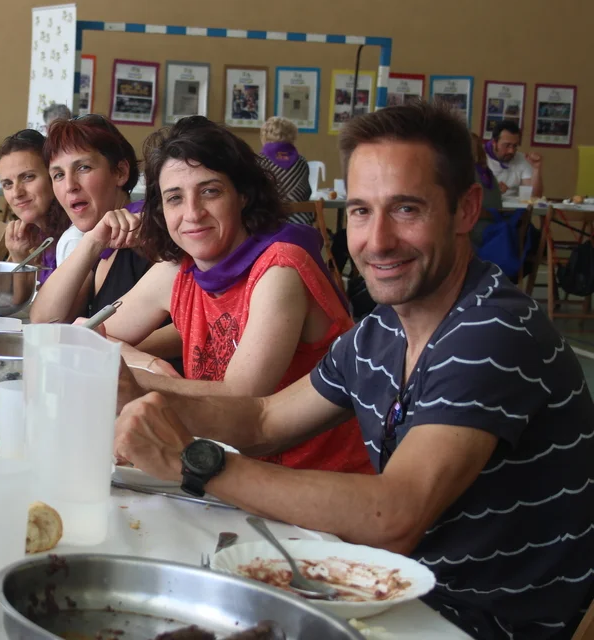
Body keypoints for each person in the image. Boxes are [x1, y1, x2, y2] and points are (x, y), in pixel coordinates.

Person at [113, 101, 594, 639]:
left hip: (475, 622)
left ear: (465, 210)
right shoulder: (383, 329)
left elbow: (396, 514)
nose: (377, 241)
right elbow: (265, 419)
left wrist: (194, 461)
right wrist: (135, 394)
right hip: (393, 589)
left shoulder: (493, 331)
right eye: (361, 211)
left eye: (406, 209)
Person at [99, 117, 369, 472]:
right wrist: (143, 362)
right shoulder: (178, 270)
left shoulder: (280, 269)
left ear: (243, 195)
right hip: (226, 467)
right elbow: (87, 334)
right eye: (175, 198)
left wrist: (134, 380)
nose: (192, 213)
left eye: (210, 191)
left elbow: (242, 396)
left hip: (314, 479)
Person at [29, 115, 147, 323]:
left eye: (83, 168)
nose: (69, 186)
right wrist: (92, 242)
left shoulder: (148, 230)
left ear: (120, 172)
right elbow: (45, 320)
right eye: (58, 175)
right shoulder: (97, 238)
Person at [0, 129, 70, 283]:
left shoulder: (72, 238)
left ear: (54, 176)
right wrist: (19, 257)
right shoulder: (40, 235)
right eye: (7, 184)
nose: (17, 193)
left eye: (28, 177)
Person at [256, 116, 312, 225]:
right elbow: (306, 194)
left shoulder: (259, 162)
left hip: (268, 225)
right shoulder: (302, 162)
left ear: (264, 136)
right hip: (301, 225)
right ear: (293, 136)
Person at [485, 120, 543, 198]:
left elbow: (534, 196)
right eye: (506, 145)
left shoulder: (522, 159)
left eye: (515, 146)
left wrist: (536, 169)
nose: (511, 151)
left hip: (514, 205)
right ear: (494, 143)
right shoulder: (480, 158)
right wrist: (492, 191)